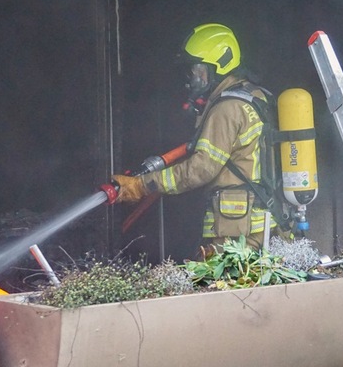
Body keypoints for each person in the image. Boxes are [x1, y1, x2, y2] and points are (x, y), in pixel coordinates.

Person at [112, 23, 277, 251]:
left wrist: (143, 185)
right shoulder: (254, 97)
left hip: (236, 230)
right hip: (254, 222)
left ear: (219, 66)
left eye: (197, 70)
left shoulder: (227, 108)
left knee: (220, 283)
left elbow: (201, 168)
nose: (191, 78)